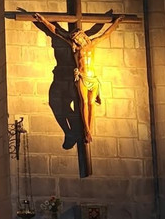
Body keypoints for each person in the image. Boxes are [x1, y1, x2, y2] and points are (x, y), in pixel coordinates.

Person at [23, 10, 126, 143]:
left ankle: (90, 130)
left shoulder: (92, 44)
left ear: (83, 37)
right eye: (74, 39)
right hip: (82, 77)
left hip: (93, 78)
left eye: (77, 38)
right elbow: (56, 31)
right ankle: (86, 130)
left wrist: (117, 21)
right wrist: (43, 20)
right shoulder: (75, 47)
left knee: (91, 104)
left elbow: (105, 34)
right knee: (83, 102)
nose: (76, 40)